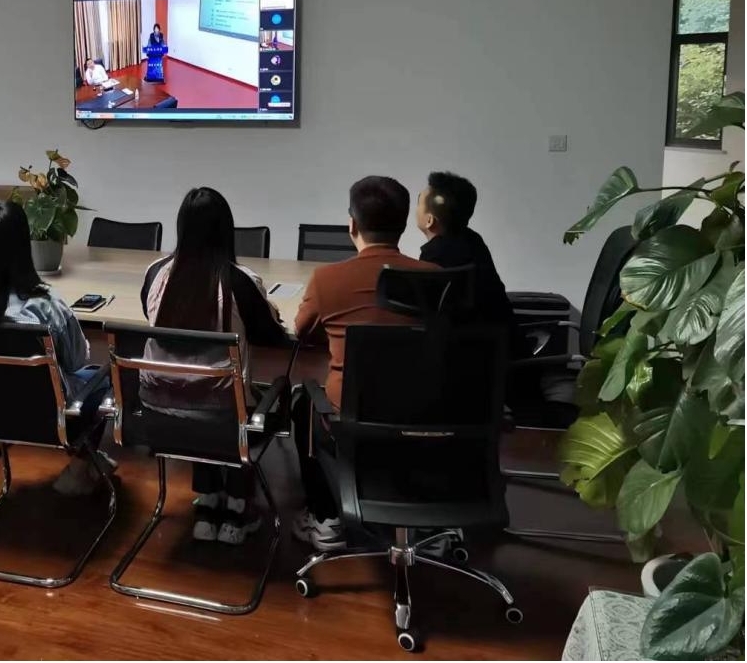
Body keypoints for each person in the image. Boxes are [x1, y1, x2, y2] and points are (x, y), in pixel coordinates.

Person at [292, 176, 437, 551]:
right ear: (403, 225)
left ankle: (326, 517)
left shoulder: (327, 279)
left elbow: (302, 332)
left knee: (303, 403)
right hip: (423, 419)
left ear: (352, 225)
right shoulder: (436, 279)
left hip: (348, 421)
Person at [140, 187, 285, 545]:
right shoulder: (239, 281)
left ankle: (208, 501)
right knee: (233, 395)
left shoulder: (155, 273)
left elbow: (151, 317)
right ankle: (237, 507)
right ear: (226, 231)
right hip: (223, 420)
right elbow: (271, 336)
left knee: (192, 384)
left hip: (161, 415)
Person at [0, 200, 115, 495]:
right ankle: (78, 469)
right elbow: (77, 359)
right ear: (22, 248)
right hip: (43, 415)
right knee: (106, 373)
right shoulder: (44, 303)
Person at [415, 172, 516, 338]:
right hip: (500, 347)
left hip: (462, 350)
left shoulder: (433, 256)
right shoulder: (474, 241)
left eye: (419, 202)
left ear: (429, 221)